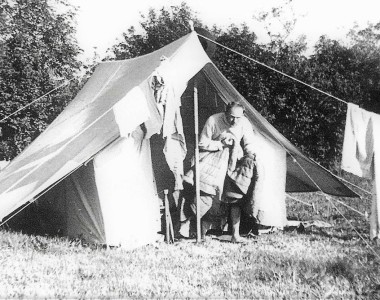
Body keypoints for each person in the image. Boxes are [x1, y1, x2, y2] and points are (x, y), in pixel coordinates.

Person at [178, 102, 257, 243]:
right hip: (212, 159)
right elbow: (202, 143)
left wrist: (250, 154)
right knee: (205, 194)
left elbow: (249, 143)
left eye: (238, 117)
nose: (234, 121)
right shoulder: (213, 120)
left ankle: (235, 234)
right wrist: (221, 144)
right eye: (231, 117)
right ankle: (191, 230)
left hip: (233, 161)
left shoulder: (244, 123)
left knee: (235, 196)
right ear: (225, 113)